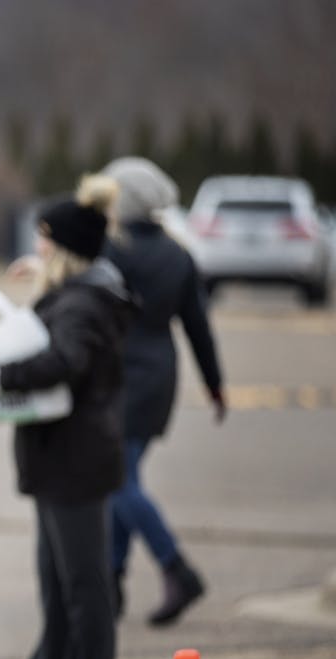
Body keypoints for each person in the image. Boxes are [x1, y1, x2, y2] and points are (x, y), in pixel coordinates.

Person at [0, 175, 133, 659]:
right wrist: (39, 279)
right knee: (57, 583)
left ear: (65, 247)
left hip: (77, 462)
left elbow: (64, 360)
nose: (36, 248)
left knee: (85, 586)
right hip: (60, 461)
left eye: (44, 241)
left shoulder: (85, 303)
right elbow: (64, 317)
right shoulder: (79, 293)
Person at [99, 156, 225, 626]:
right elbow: (197, 326)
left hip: (120, 374)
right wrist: (214, 385)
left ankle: (176, 567)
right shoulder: (179, 253)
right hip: (159, 374)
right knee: (125, 477)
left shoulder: (112, 249)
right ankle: (111, 581)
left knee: (117, 481)